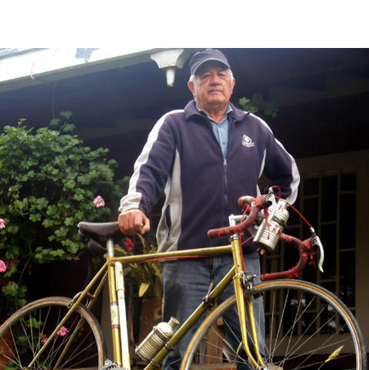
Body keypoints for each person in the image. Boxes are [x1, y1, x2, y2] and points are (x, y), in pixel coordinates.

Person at [118, 49, 300, 370]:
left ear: (232, 83)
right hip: (186, 256)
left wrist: (271, 214)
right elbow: (150, 172)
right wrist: (136, 207)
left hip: (242, 258)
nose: (214, 80)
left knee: (252, 353)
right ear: (192, 86)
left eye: (220, 74)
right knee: (177, 353)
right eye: (205, 75)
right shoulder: (174, 124)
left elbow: (289, 176)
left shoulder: (255, 129)